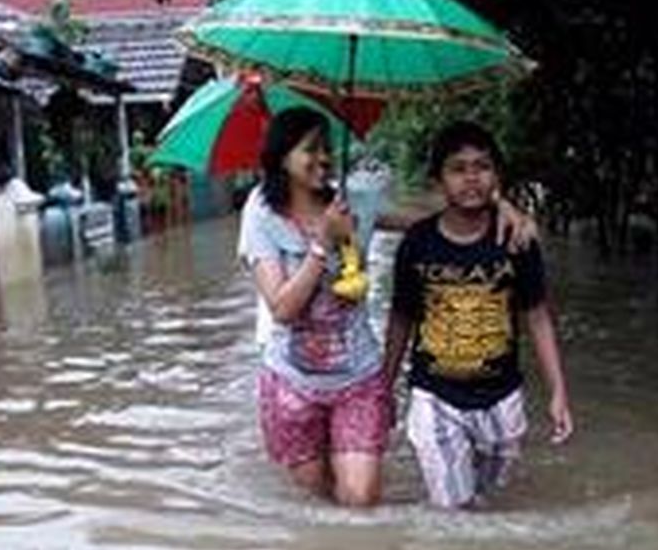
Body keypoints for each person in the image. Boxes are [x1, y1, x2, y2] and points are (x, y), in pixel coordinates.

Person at [237, 109, 539, 507]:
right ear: (281, 156)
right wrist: (322, 244)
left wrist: (498, 204)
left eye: (327, 148)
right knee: (313, 503)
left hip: (357, 376)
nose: (324, 158)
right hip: (293, 380)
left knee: (359, 500)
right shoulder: (260, 212)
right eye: (311, 149)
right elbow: (282, 309)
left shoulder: (351, 200)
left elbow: (432, 214)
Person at [383, 121, 573, 509]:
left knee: (493, 503)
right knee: (454, 510)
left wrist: (558, 392)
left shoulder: (516, 241)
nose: (471, 178)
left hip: (502, 396)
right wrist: (384, 388)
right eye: (458, 168)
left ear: (497, 176)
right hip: (434, 396)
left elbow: (537, 316)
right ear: (438, 180)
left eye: (482, 166)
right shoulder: (417, 243)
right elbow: (401, 318)